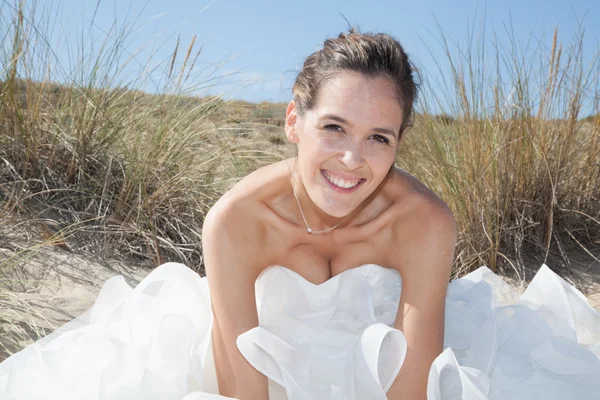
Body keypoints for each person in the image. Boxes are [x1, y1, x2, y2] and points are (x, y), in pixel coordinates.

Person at [1, 29, 600, 400]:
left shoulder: (423, 223)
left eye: (379, 138)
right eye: (334, 127)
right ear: (294, 120)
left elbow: (413, 386)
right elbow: (241, 385)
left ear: (399, 142)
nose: (352, 160)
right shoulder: (237, 220)